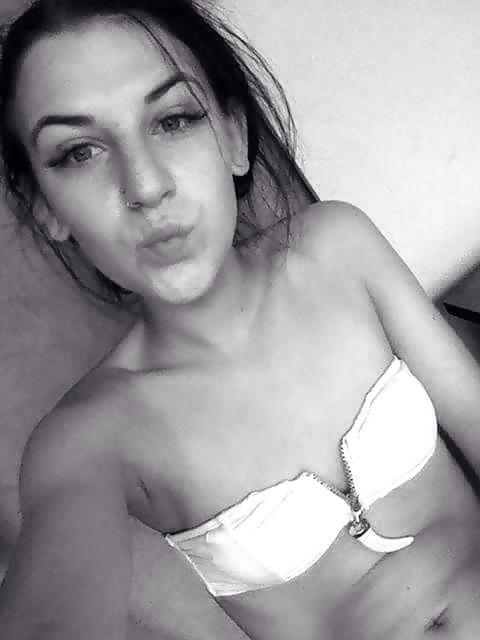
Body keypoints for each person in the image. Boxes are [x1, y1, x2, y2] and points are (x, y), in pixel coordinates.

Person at [1, 0, 480, 638]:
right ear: (46, 208)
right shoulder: (89, 439)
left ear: (232, 135)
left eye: (172, 120)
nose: (145, 185)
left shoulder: (338, 246)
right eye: (79, 152)